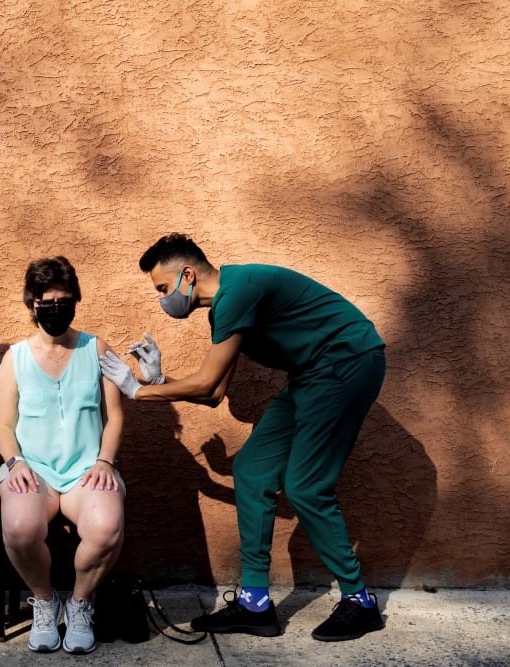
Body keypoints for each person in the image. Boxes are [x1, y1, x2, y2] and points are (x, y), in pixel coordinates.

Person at [99, 233, 387, 642]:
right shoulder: (225, 311)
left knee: (306, 486)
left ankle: (360, 603)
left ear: (187, 274)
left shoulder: (239, 291)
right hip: (309, 375)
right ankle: (254, 604)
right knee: (252, 469)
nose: (163, 300)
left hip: (348, 361)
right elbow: (214, 394)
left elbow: (207, 382)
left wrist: (139, 390)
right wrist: (161, 379)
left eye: (163, 289)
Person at [0, 256, 126, 655]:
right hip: (33, 471)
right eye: (46, 302)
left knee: (106, 527)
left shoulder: (98, 348)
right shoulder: (14, 358)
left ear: (76, 300)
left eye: (64, 300)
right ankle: (46, 603)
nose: (55, 309)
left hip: (88, 469)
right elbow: (1, 425)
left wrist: (105, 461)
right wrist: (14, 463)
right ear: (32, 304)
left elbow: (115, 416)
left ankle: (81, 603)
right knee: (18, 527)